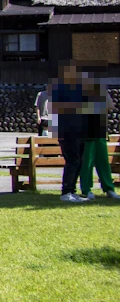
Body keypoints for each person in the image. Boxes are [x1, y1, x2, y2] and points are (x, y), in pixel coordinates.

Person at [51, 63, 89, 202]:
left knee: (80, 161)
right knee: (73, 161)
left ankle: (72, 191)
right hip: (67, 132)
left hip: (80, 131)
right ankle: (66, 192)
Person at [79, 73, 117, 201]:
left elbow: (111, 106)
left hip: (100, 132)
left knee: (103, 162)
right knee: (87, 163)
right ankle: (86, 190)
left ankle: (109, 189)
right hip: (87, 133)